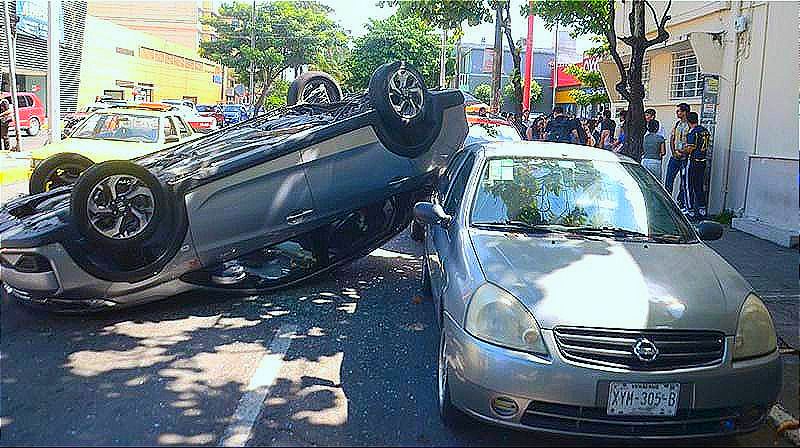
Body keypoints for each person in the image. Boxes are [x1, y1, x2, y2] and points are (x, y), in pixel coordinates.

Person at [685, 111, 711, 218]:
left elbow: (690, 148)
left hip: (693, 161)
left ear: (688, 121)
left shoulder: (693, 132)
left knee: (688, 185)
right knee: (699, 186)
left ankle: (690, 210)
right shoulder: (705, 131)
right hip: (703, 160)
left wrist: (682, 151)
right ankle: (702, 209)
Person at [666, 103, 691, 212]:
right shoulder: (677, 124)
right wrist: (673, 152)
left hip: (685, 157)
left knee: (683, 181)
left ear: (685, 112)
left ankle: (680, 202)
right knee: (669, 179)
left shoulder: (690, 126)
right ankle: (667, 201)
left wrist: (684, 153)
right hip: (675, 156)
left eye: (679, 111)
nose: (677, 113)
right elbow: (672, 138)